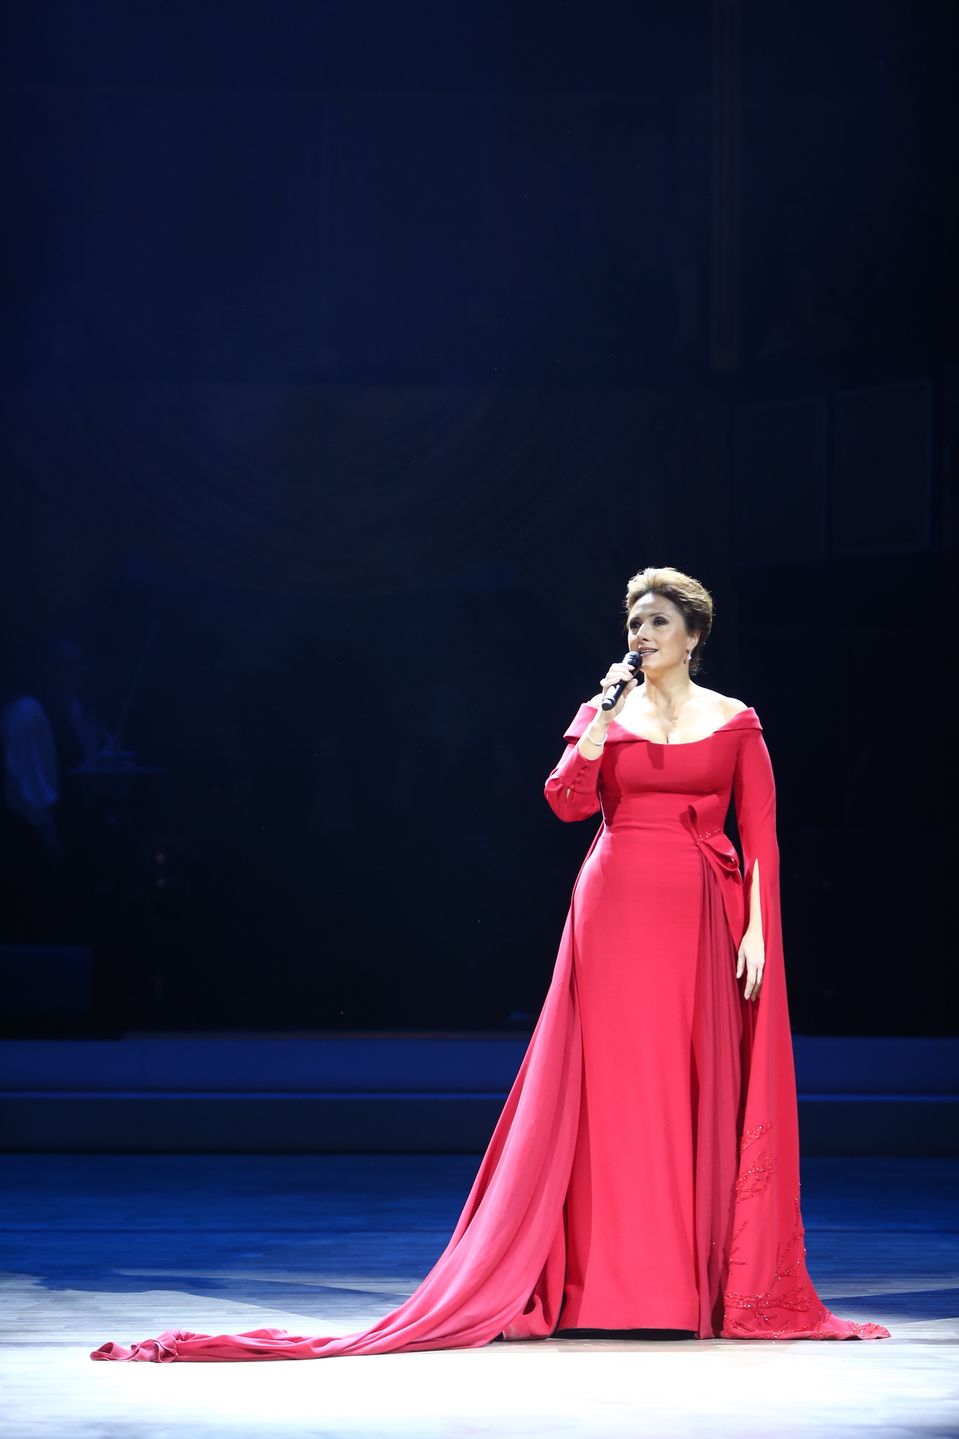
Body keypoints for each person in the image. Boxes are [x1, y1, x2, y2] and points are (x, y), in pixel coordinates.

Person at [92, 566, 889, 1361]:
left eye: (655, 622)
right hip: (614, 909)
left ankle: (685, 1281)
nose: (640, 635)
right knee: (609, 1086)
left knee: (687, 1082)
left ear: (693, 633)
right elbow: (566, 801)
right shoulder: (603, 710)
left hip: (703, 915)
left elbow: (761, 835)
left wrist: (757, 930)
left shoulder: (735, 721)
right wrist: (601, 722)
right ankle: (604, 1284)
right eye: (633, 623)